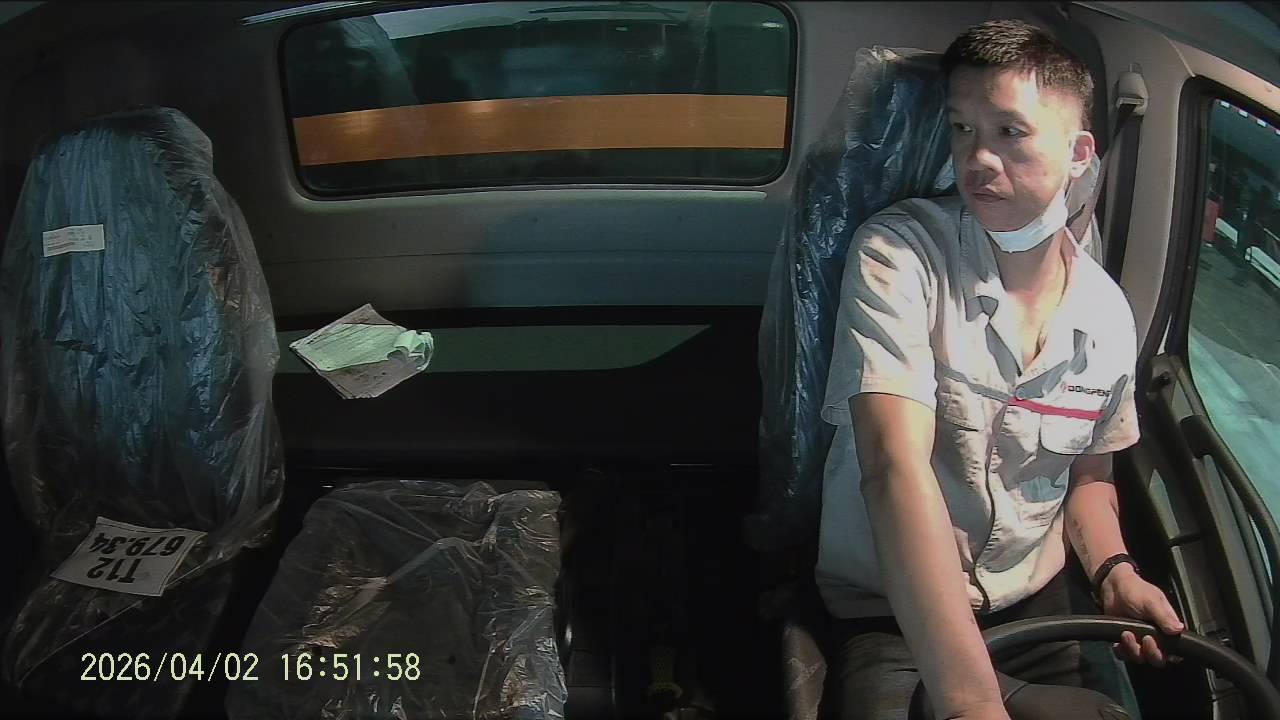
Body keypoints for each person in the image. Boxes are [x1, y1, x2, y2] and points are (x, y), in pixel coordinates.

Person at [814, 20, 1185, 720]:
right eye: (962, 128)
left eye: (1009, 132)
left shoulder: (1107, 315)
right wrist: (971, 703)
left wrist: (1115, 571)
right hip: (894, 610)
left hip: (1032, 605)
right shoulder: (900, 255)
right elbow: (892, 465)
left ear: (1078, 153)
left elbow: (1090, 477)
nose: (978, 157)